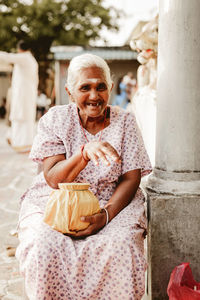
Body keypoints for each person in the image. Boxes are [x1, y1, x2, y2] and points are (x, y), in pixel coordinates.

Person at [16, 53, 152, 300]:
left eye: (101, 87)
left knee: (121, 246)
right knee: (43, 245)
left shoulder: (125, 122)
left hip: (112, 201)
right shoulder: (55, 120)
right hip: (56, 199)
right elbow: (53, 179)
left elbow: (131, 178)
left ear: (110, 88)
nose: (94, 95)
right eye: (85, 88)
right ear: (70, 92)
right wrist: (84, 154)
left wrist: (106, 215)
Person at [0, 40, 39, 153]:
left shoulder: (24, 58)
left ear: (19, 49)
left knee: (20, 117)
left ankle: (20, 143)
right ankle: (16, 139)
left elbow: (7, 57)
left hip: (23, 95)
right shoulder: (30, 59)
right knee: (21, 117)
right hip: (25, 94)